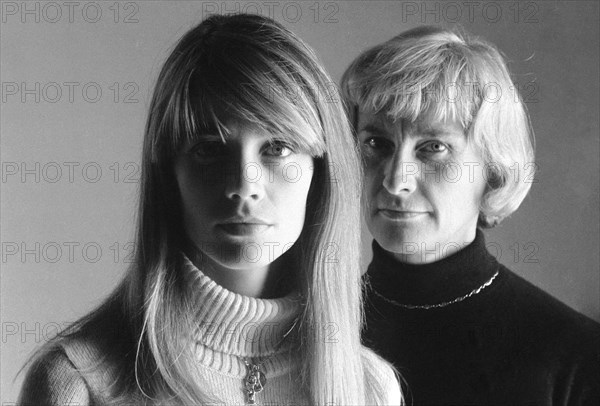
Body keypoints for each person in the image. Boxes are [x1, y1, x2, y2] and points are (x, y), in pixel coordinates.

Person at [18, 14, 401, 405]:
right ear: (168, 173)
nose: (243, 186)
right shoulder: (78, 384)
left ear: (320, 171)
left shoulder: (370, 389)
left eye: (276, 148)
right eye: (209, 149)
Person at [341, 26, 599, 405]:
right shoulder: (311, 332)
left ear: (492, 171)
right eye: (377, 144)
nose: (396, 180)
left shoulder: (577, 360)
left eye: (432, 147)